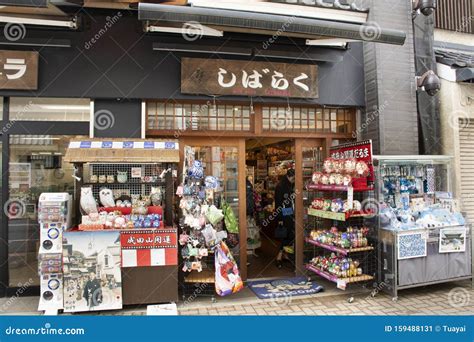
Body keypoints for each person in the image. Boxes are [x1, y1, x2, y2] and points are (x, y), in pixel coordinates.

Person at [274, 168, 295, 269]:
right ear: (290, 177)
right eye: (293, 178)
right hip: (284, 213)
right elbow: (278, 203)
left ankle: (284, 255)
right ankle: (278, 257)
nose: (294, 180)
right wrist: (280, 218)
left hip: (289, 213)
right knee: (285, 235)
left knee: (289, 234)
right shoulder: (281, 186)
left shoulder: (288, 184)